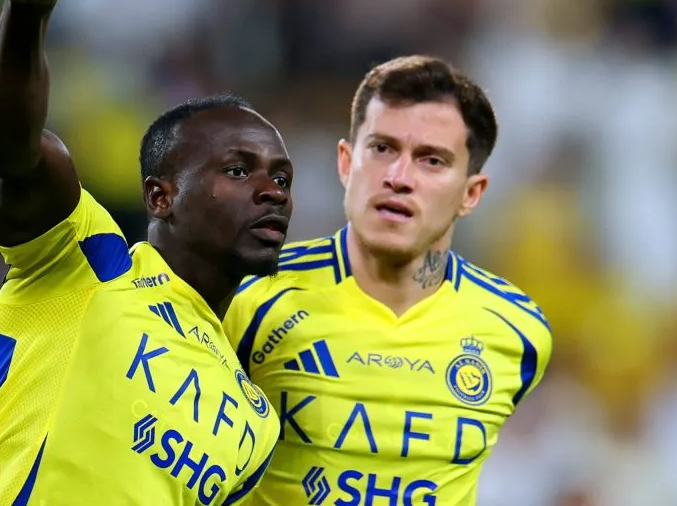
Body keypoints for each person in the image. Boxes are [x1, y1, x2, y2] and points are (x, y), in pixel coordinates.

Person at [0, 0, 293, 504]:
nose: (272, 192)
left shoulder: (255, 422)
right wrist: (29, 14)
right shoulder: (88, 261)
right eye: (237, 170)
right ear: (161, 197)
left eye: (281, 179)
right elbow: (14, 149)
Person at [224, 56, 553, 505]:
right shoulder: (250, 301)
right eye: (382, 148)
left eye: (432, 160)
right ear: (346, 163)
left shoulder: (518, 332)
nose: (398, 178)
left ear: (471, 193)